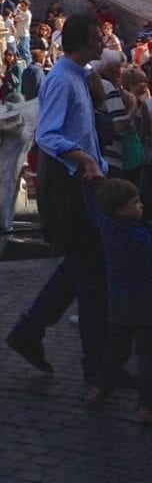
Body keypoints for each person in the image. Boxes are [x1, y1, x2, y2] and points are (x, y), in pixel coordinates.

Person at [6, 12, 107, 380]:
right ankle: (96, 364)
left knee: (84, 266)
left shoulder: (76, 77)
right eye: (96, 39)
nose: (102, 44)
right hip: (72, 184)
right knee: (92, 271)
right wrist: (82, 159)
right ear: (80, 42)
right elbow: (48, 135)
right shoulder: (63, 80)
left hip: (84, 180)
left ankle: (33, 330)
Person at [85, 177, 152, 422]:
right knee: (147, 353)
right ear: (121, 209)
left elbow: (92, 207)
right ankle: (147, 406)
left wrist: (89, 184)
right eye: (135, 202)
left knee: (116, 348)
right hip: (145, 303)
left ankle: (98, 389)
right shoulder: (140, 239)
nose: (141, 205)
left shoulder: (106, 227)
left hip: (117, 300)